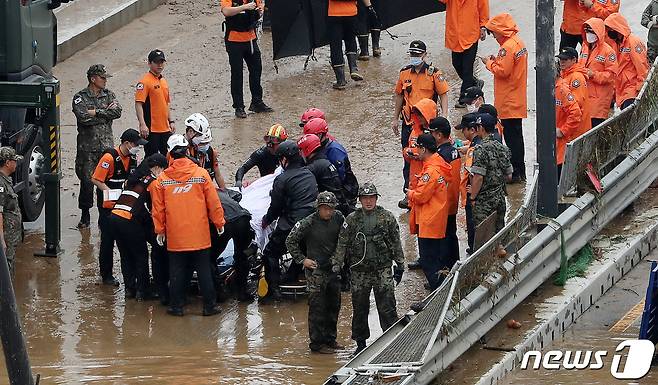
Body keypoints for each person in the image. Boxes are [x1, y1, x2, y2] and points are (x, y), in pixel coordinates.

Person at [150, 134, 225, 317]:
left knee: (177, 271)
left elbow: (157, 210)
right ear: (186, 150)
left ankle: (177, 306)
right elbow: (214, 203)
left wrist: (160, 230)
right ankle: (209, 306)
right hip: (199, 233)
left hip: (176, 235)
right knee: (204, 270)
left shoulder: (162, 180)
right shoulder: (201, 174)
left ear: (169, 153)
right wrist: (219, 222)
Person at [330, 182, 404, 355]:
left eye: (371, 198)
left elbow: (395, 242)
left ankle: (392, 340)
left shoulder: (387, 217)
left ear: (376, 199)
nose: (368, 201)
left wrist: (400, 264)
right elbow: (342, 243)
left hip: (382, 269)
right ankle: (361, 344)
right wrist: (337, 264)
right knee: (360, 308)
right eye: (365, 198)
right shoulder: (352, 219)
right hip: (359, 271)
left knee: (387, 306)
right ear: (360, 200)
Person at [286, 192, 345, 354]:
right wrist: (302, 259)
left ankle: (330, 339)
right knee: (317, 308)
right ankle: (317, 344)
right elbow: (290, 241)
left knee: (334, 305)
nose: (328, 212)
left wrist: (339, 259)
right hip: (316, 272)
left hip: (333, 269)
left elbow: (344, 239)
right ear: (318, 208)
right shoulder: (308, 222)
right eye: (325, 209)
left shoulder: (338, 218)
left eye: (331, 209)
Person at [392, 41, 449, 207]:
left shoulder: (434, 73)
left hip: (427, 123)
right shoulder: (404, 73)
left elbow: (443, 94)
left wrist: (444, 116)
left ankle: (430, 189)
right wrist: (395, 118)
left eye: (418, 55)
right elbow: (399, 96)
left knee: (428, 157)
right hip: (408, 122)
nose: (415, 58)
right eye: (413, 55)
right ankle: (408, 192)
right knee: (408, 157)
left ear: (425, 55)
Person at [261, 141, 319, 301]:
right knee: (301, 249)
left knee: (270, 253)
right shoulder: (309, 174)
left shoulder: (282, 179)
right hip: (312, 225)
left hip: (292, 223)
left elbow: (276, 207)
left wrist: (267, 220)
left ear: (284, 159)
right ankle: (291, 275)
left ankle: (273, 291)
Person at [91, 129, 146, 286]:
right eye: (136, 145)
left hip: (124, 205)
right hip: (108, 207)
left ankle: (130, 275)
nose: (138, 148)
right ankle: (106, 275)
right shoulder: (109, 158)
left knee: (125, 240)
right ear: (127, 143)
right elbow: (96, 179)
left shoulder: (132, 158)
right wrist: (110, 192)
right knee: (108, 240)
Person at [110, 154, 168, 301]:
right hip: (129, 219)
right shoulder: (153, 182)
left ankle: (130, 289)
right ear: (157, 168)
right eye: (163, 169)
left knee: (126, 255)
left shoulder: (134, 179)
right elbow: (155, 208)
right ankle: (143, 291)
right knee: (140, 255)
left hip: (115, 217)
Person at [72, 64, 122, 229]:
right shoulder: (80, 97)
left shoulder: (109, 95)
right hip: (87, 149)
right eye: (102, 78)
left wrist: (96, 112)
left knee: (105, 182)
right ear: (93, 79)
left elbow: (117, 112)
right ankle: (85, 215)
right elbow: (83, 118)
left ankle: (104, 215)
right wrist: (104, 114)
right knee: (86, 183)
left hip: (106, 148)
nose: (105, 81)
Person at [482, 13, 528, 183]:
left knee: (511, 138)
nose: (494, 37)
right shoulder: (518, 42)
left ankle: (515, 172)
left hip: (508, 99)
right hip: (516, 96)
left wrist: (489, 63)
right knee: (518, 136)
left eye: (494, 33)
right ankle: (520, 170)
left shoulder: (507, 47)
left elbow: (503, 71)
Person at [406, 134, 452, 290]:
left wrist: (410, 193)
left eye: (418, 148)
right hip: (437, 217)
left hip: (429, 220)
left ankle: (438, 289)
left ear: (424, 149)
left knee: (428, 259)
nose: (416, 151)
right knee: (436, 257)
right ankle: (440, 284)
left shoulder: (430, 171)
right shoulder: (439, 163)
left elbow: (421, 196)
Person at [221, 0, 274, 118]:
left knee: (256, 70)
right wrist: (245, 7)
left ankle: (257, 102)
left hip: (250, 39)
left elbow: (260, 10)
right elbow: (226, 11)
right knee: (237, 74)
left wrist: (259, 11)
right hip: (234, 40)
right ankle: (239, 107)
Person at [438, 0, 488, 107]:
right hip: (455, 35)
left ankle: (464, 97)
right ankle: (474, 82)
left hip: (471, 34)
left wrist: (483, 26)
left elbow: (483, 7)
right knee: (456, 64)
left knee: (467, 67)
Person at [469, 114, 512, 232]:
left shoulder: (480, 149)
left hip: (484, 202)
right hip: (500, 199)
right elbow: (509, 176)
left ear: (481, 128)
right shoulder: (502, 148)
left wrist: (472, 197)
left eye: (477, 127)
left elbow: (478, 177)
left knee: (484, 237)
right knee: (498, 237)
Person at [303, 118, 359, 204]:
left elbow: (339, 178)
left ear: (321, 135)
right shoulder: (318, 148)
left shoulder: (334, 150)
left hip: (345, 191)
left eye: (313, 136)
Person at [428, 117, 461, 262]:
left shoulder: (440, 156)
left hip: (442, 203)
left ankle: (444, 270)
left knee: (443, 239)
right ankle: (454, 264)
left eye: (432, 133)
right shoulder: (454, 151)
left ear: (439, 135)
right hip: (453, 200)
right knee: (451, 235)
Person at [326, 0, 376, 89]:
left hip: (334, 14)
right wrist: (369, 7)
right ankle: (353, 69)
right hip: (351, 13)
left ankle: (340, 80)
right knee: (350, 40)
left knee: (335, 45)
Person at [215, 190, 255, 301]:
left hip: (224, 221)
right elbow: (237, 194)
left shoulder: (201, 193)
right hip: (242, 218)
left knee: (209, 258)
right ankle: (242, 291)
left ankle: (219, 292)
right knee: (242, 255)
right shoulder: (222, 191)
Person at [605, 13, 650, 110]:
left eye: (610, 29)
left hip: (632, 90)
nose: (608, 32)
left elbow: (642, 67)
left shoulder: (633, 42)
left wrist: (640, 89)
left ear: (617, 28)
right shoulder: (616, 43)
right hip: (622, 90)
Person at [297, 134, 351, 215]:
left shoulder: (313, 167)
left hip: (330, 208)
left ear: (306, 150)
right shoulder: (324, 160)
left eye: (301, 151)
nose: (300, 154)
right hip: (339, 202)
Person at [399, 98, 437, 209]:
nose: (419, 117)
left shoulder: (438, 132)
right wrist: (408, 152)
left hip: (429, 178)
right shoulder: (414, 131)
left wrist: (421, 155)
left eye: (422, 114)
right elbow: (407, 150)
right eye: (417, 114)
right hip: (415, 177)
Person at [580, 17, 617, 128]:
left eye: (591, 31)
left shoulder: (608, 51)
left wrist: (594, 75)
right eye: (586, 31)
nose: (588, 34)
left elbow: (611, 76)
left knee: (596, 130)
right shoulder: (585, 47)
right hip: (584, 96)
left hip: (599, 99)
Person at [135, 50, 174, 156]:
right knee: (151, 158)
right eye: (156, 62)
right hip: (152, 129)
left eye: (162, 62)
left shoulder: (163, 81)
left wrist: (171, 121)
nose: (160, 65)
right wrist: (142, 124)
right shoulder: (144, 82)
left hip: (165, 128)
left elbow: (166, 103)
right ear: (149, 63)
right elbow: (138, 104)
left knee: (168, 156)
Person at [455, 113, 481, 252]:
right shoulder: (478, 143)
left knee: (473, 227)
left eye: (463, 130)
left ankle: (473, 250)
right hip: (478, 195)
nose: (462, 133)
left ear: (472, 129)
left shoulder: (474, 149)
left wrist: (472, 196)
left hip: (472, 196)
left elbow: (473, 174)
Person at [235, 124, 287, 188]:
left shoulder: (288, 153)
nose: (270, 145)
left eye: (274, 141)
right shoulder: (260, 153)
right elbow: (242, 168)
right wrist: (239, 181)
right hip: (266, 185)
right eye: (268, 140)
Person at [557, 47, 592, 138]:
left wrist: (564, 130)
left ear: (574, 60)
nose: (562, 62)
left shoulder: (576, 77)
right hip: (569, 128)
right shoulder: (564, 74)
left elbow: (576, 107)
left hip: (575, 131)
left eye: (565, 59)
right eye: (560, 59)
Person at [0, 148, 23, 277]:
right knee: (6, 270)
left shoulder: (5, 180)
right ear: (8, 163)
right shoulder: (1, 184)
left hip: (10, 236)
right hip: (6, 236)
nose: (16, 163)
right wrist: (2, 240)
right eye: (14, 161)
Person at [555, 75, 583, 174]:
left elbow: (576, 113)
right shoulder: (550, 87)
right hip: (550, 145)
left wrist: (563, 131)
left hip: (560, 146)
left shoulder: (562, 89)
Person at [191, 124, 227, 190]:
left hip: (207, 188)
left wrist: (225, 191)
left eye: (207, 143)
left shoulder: (212, 153)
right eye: (202, 143)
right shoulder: (189, 154)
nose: (205, 146)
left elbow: (218, 175)